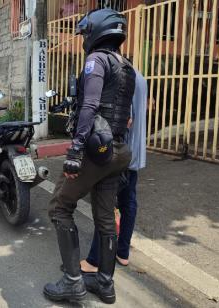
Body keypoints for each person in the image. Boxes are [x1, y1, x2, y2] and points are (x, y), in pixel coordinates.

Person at [43, 9, 135, 304]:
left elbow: (89, 107)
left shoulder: (96, 61)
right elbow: (126, 117)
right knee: (106, 218)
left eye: (85, 32)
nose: (84, 38)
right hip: (118, 151)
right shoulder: (127, 66)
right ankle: (105, 284)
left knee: (59, 207)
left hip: (95, 151)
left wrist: (74, 150)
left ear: (96, 30)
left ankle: (73, 282)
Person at [79, 69, 147, 274]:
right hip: (134, 154)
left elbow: (126, 120)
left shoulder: (121, 78)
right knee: (129, 202)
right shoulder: (140, 77)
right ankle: (123, 252)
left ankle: (95, 260)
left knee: (105, 205)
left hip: (118, 153)